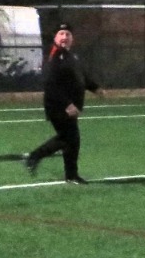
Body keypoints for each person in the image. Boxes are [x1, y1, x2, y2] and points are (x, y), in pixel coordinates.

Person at [23, 25, 100, 184]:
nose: (64, 37)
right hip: (58, 106)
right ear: (55, 38)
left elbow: (81, 77)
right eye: (61, 34)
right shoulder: (55, 55)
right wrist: (67, 104)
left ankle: (70, 175)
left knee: (71, 140)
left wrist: (95, 88)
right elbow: (50, 84)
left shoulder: (70, 56)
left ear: (72, 38)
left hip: (69, 107)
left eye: (68, 34)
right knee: (68, 138)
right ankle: (35, 157)